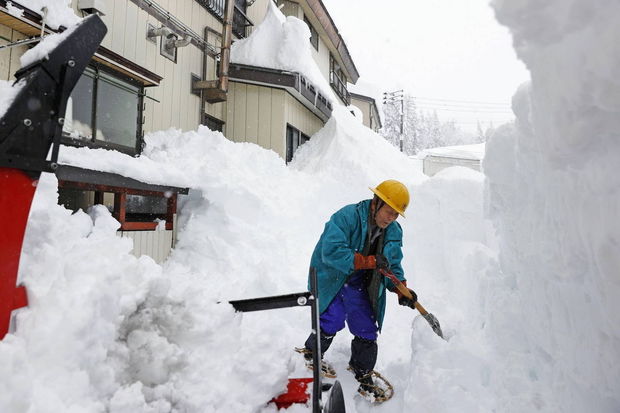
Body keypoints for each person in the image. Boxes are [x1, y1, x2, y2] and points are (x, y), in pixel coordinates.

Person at [300, 179, 418, 400]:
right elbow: (331, 251)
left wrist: (400, 289)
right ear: (376, 202)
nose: (390, 218)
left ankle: (362, 371)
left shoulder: (393, 230)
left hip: (357, 283)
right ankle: (312, 353)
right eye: (389, 211)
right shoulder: (347, 217)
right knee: (332, 318)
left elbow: (392, 264)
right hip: (331, 276)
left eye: (395, 214)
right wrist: (370, 261)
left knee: (366, 327)